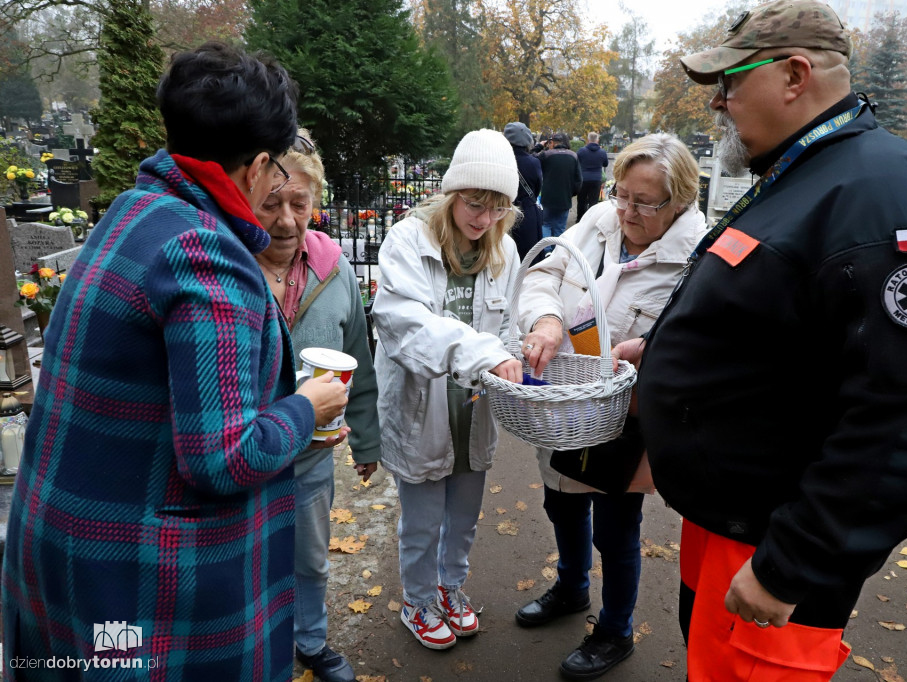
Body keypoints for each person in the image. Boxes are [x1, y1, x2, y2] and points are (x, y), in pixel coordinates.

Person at [619, 2, 907, 680]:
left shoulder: (885, 196)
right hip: (727, 520)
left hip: (773, 540)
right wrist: (667, 353)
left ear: (793, 75)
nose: (719, 104)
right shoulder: (806, 170)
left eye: (730, 84)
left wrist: (791, 567)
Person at [1, 43, 350, 681]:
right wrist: (307, 407)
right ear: (260, 166)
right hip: (133, 581)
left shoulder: (138, 212)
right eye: (276, 179)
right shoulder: (205, 253)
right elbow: (223, 458)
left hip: (65, 548)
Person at [515, 133, 708, 680]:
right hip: (567, 398)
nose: (625, 210)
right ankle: (572, 586)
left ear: (679, 203)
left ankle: (616, 629)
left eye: (642, 203)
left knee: (617, 525)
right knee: (561, 500)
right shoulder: (599, 223)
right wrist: (546, 319)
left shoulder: (697, 256)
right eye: (620, 193)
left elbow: (702, 342)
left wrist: (655, 354)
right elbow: (545, 274)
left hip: (627, 417)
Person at [372, 129, 524, 650]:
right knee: (422, 519)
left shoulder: (504, 251)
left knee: (463, 512)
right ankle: (417, 600)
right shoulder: (406, 241)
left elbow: (509, 332)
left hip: (472, 411)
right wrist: (488, 355)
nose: (483, 218)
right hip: (422, 408)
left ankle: (450, 587)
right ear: (451, 194)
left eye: (497, 207)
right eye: (474, 203)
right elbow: (404, 325)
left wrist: (518, 358)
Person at [253, 130, 381, 682]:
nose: (285, 221)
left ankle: (311, 641)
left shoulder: (335, 272)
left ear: (316, 203)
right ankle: (259, 650)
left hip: (311, 458)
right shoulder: (228, 268)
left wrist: (368, 439)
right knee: (249, 567)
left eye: (299, 204)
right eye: (271, 205)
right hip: (245, 460)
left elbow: (361, 358)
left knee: (310, 559)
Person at [503, 121, 543, 262]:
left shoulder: (501, 160)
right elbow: (537, 188)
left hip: (502, 211)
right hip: (527, 212)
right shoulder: (533, 162)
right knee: (529, 257)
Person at [537, 132, 582, 238]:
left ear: (552, 142)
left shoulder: (546, 155)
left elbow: (532, 158)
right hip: (565, 198)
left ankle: (546, 251)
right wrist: (571, 193)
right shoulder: (573, 156)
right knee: (560, 227)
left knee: (546, 224)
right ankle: (557, 250)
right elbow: (579, 180)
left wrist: (540, 146)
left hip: (548, 197)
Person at [575, 132, 608, 220]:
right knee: (593, 201)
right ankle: (591, 220)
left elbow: (576, 162)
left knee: (581, 201)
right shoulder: (602, 152)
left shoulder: (581, 151)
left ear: (588, 140)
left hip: (583, 179)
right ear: (597, 140)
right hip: (596, 179)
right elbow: (605, 164)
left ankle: (580, 219)